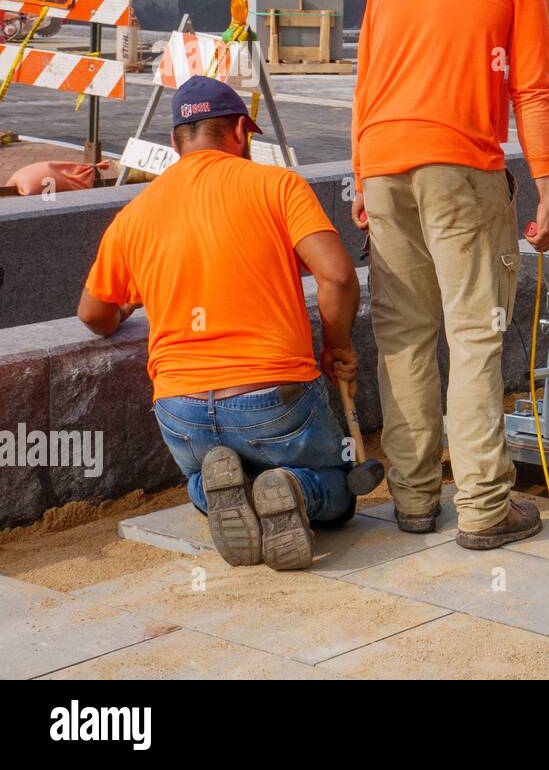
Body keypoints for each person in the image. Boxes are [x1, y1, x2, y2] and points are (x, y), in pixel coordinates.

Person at [351, 0, 549, 549]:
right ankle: (483, 507)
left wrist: (362, 174)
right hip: (459, 165)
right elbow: (532, 87)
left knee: (402, 335)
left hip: (382, 162)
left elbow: (367, 76)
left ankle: (412, 501)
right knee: (474, 334)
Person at [78, 77, 361, 571]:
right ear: (239, 131)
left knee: (201, 478)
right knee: (339, 494)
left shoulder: (134, 213)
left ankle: (218, 492)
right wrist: (336, 344)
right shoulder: (278, 185)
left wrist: (129, 304)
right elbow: (336, 276)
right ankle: (294, 489)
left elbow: (93, 316)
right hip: (273, 398)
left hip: (181, 409)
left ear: (175, 141)